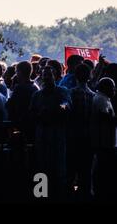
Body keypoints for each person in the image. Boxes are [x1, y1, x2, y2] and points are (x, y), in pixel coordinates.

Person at [30, 66, 71, 200]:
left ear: (55, 76)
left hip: (57, 134)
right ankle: (42, 195)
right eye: (44, 76)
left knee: (58, 168)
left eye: (49, 75)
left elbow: (66, 104)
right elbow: (31, 113)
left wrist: (57, 109)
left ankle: (59, 196)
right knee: (42, 167)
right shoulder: (37, 95)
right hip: (42, 135)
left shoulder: (62, 91)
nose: (46, 78)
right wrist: (40, 114)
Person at [67, 64, 95, 199]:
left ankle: (70, 194)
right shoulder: (93, 95)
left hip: (73, 136)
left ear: (75, 76)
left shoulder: (71, 93)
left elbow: (66, 109)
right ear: (89, 77)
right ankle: (86, 195)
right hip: (88, 137)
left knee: (71, 169)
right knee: (86, 170)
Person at [90, 77, 116, 201]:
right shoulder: (101, 99)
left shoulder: (102, 98)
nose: (114, 90)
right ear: (105, 88)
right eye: (112, 87)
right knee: (104, 170)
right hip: (104, 142)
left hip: (103, 141)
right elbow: (106, 117)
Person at [6, 61, 39, 143]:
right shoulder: (35, 87)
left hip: (21, 125)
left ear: (20, 72)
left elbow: (9, 105)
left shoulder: (19, 88)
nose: (16, 74)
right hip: (33, 125)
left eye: (16, 72)